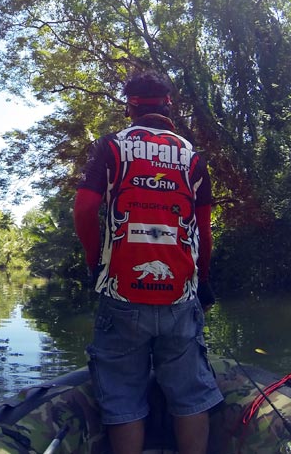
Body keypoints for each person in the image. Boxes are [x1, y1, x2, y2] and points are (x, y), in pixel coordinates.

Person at [73, 70, 222, 454]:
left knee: (122, 397)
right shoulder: (193, 158)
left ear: (130, 107)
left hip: (121, 295)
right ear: (169, 105)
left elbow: (85, 209)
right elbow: (204, 233)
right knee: (190, 396)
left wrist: (95, 263)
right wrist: (203, 282)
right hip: (180, 296)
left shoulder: (111, 146)